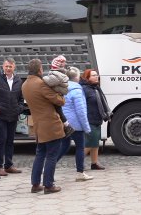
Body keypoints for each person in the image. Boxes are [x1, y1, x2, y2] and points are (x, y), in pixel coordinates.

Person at [22, 58, 66, 194]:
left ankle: (35, 184)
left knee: (40, 154)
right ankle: (48, 185)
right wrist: (61, 96)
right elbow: (58, 101)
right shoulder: (40, 84)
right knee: (52, 156)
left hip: (39, 126)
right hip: (50, 125)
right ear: (39, 70)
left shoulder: (24, 85)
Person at [0, 58, 24, 177]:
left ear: (14, 67)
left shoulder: (18, 80)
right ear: (3, 67)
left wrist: (19, 109)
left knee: (10, 141)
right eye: (6, 66)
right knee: (1, 140)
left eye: (10, 66)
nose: (8, 68)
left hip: (13, 116)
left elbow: (21, 98)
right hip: (0, 116)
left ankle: (8, 165)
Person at [58, 67, 94, 181]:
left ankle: (50, 164)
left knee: (64, 146)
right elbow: (81, 111)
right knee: (80, 148)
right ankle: (80, 173)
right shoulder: (77, 90)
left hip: (65, 122)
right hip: (76, 125)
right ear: (77, 77)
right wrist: (87, 127)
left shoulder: (62, 88)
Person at [81, 69, 111, 170]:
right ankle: (78, 162)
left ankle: (94, 163)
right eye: (93, 75)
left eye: (96, 75)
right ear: (87, 78)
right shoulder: (84, 89)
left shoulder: (96, 88)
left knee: (95, 142)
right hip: (89, 119)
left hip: (97, 119)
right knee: (89, 142)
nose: (96, 77)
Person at [43, 55, 75, 137]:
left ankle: (67, 126)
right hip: (59, 93)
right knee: (59, 111)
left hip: (57, 94)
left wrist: (42, 78)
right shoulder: (59, 74)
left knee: (58, 111)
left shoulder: (57, 75)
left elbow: (49, 81)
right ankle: (66, 126)